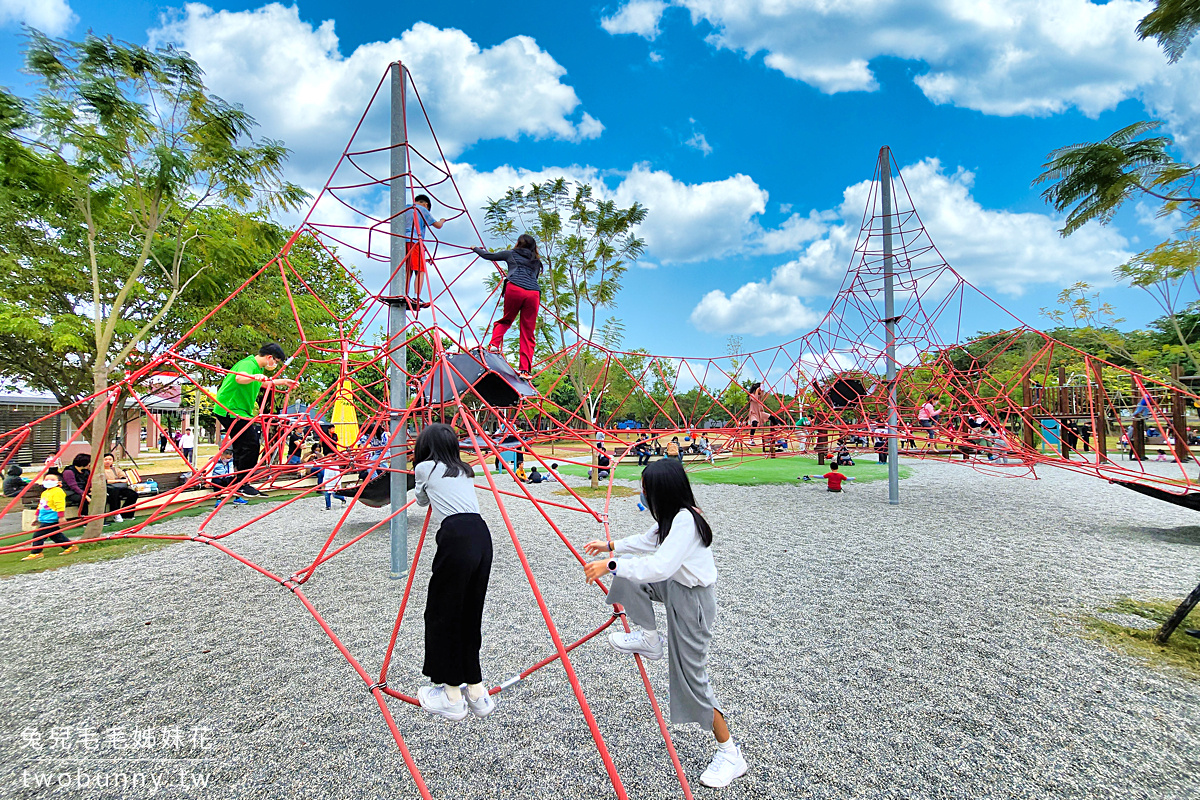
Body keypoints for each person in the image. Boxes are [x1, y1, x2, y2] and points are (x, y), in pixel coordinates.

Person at [581, 458, 747, 789]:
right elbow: (647, 541)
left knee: (691, 679)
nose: (643, 494)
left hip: (693, 604)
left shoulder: (686, 521)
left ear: (662, 491)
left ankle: (731, 754)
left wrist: (609, 564)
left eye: (646, 489)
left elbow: (658, 566)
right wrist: (611, 547)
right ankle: (648, 636)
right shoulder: (675, 517)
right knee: (627, 573)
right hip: (677, 589)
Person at [413, 423, 495, 721]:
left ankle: (450, 694)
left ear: (427, 445)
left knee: (442, 611)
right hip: (481, 534)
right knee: (470, 611)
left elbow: (422, 501)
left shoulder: (424, 467)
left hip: (456, 535)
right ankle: (475, 690)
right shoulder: (465, 469)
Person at [214, 343, 298, 496]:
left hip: (237, 410)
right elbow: (240, 378)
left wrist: (282, 381)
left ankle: (238, 482)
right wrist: (253, 377)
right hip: (231, 410)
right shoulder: (248, 364)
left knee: (242, 445)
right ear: (269, 357)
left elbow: (264, 382)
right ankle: (242, 482)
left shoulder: (256, 367)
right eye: (276, 361)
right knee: (251, 444)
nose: (275, 365)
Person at [472, 234, 544, 381]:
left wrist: (475, 249)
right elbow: (534, 277)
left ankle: (494, 344)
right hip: (533, 293)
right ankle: (525, 370)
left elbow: (489, 255)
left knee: (507, 320)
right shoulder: (536, 261)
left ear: (518, 243)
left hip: (515, 287)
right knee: (528, 331)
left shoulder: (511, 253)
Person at [21, 470, 79, 561]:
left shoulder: (58, 491)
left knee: (38, 535)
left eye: (52, 480)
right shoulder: (45, 493)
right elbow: (40, 506)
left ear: (58, 482)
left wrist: (61, 517)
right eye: (46, 479)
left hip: (51, 518)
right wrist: (36, 517)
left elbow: (60, 505)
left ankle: (36, 552)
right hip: (44, 518)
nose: (49, 481)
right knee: (55, 535)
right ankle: (70, 546)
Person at [403, 194, 447, 311]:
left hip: (402, 242)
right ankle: (417, 297)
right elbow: (437, 226)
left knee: (408, 270)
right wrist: (442, 220)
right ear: (426, 205)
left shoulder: (405, 208)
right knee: (420, 270)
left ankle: (404, 294)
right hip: (415, 242)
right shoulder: (422, 209)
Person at [101, 453, 139, 522]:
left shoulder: (116, 469)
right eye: (105, 459)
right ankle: (115, 513)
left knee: (133, 494)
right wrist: (118, 481)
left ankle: (127, 514)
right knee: (115, 493)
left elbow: (124, 478)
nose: (108, 461)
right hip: (106, 488)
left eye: (110, 459)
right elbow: (104, 481)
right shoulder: (99, 471)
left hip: (119, 487)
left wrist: (119, 480)